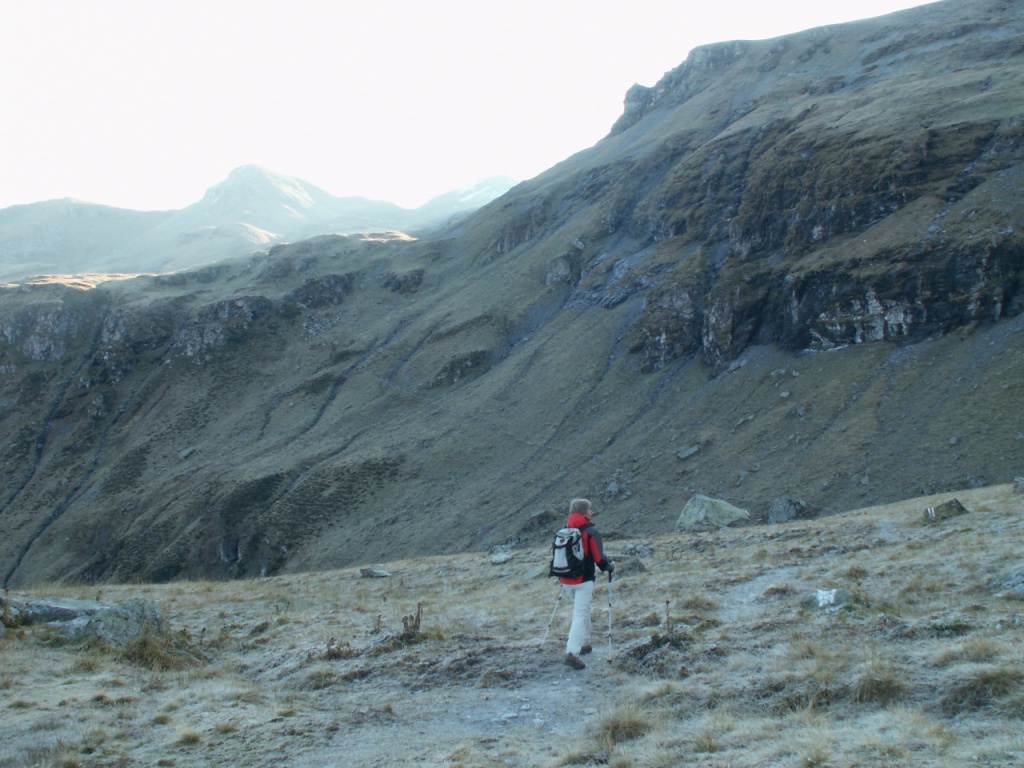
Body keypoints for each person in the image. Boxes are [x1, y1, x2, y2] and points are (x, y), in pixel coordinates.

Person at [558, 498, 613, 669]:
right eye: (590, 509)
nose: (592, 512)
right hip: (584, 580)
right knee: (580, 615)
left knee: (582, 610)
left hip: (565, 579)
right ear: (583, 512)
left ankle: (585, 642)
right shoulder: (590, 532)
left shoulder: (564, 530)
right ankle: (572, 652)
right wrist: (609, 566)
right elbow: (599, 559)